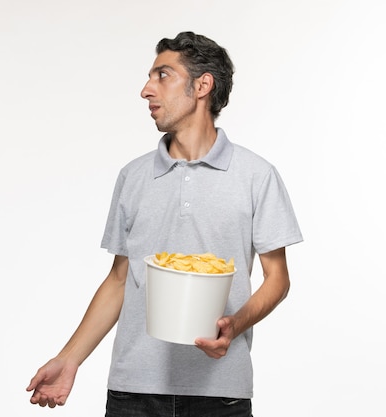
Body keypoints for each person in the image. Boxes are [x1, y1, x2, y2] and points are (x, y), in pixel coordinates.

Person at [27, 31, 303, 416]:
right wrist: (70, 358)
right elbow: (120, 280)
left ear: (202, 85)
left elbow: (278, 278)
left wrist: (234, 326)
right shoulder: (134, 176)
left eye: (163, 75)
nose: (146, 90)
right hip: (133, 392)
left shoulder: (256, 175)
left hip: (220, 392)